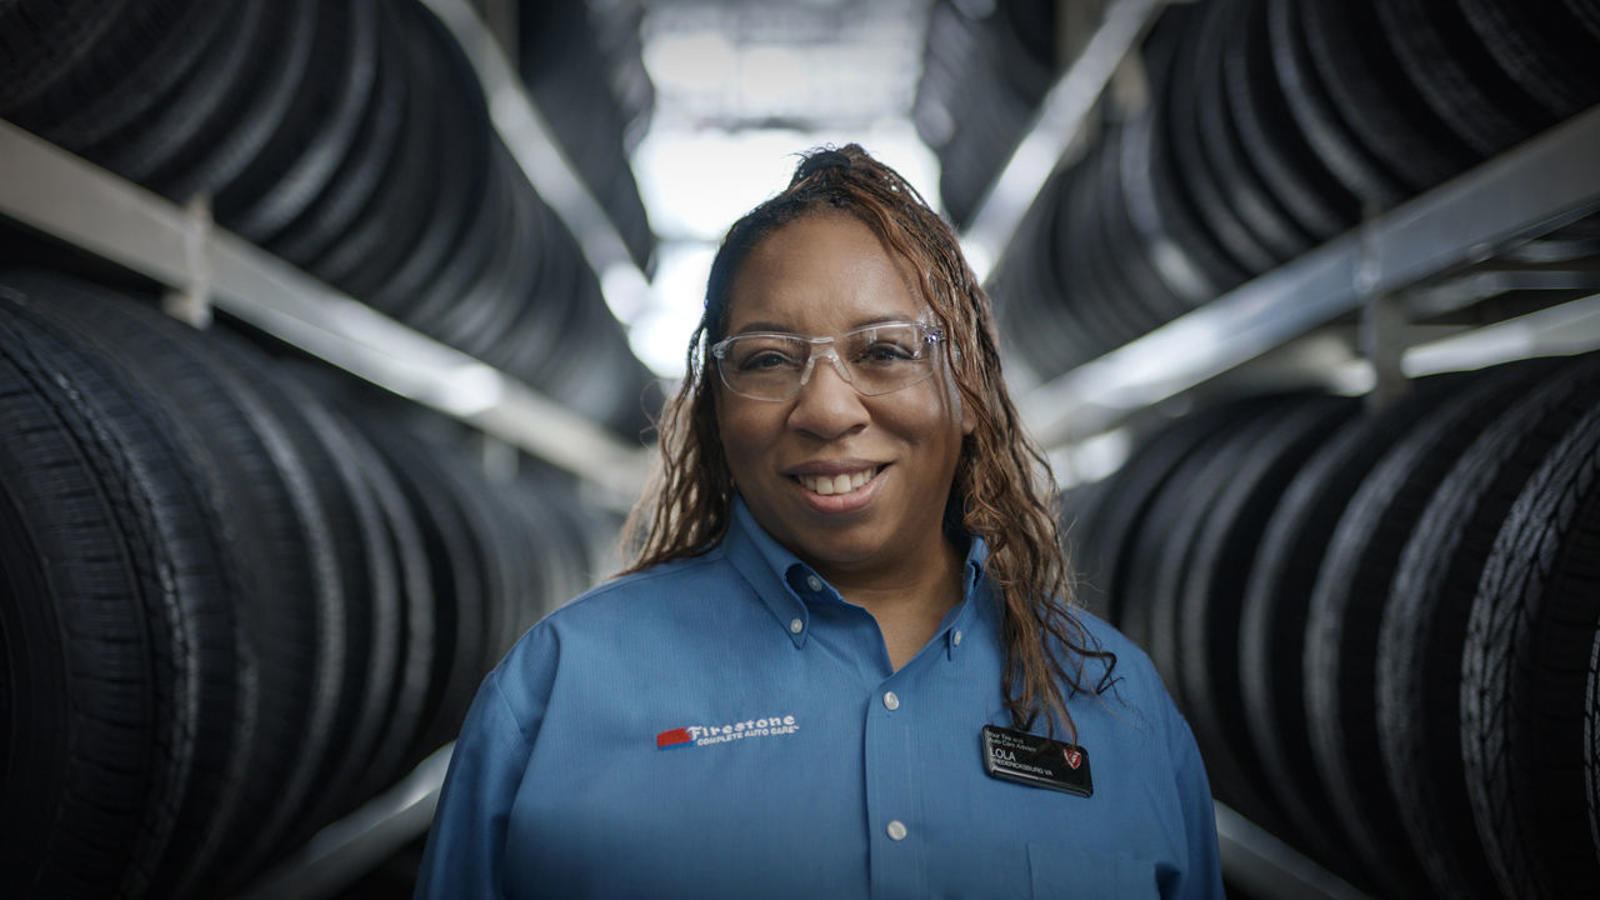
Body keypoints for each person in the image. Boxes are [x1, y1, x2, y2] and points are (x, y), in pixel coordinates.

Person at [416, 144, 1224, 898]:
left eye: (884, 351)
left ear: (969, 391)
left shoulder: (1118, 704)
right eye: (768, 359)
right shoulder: (557, 689)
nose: (829, 409)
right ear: (715, 410)